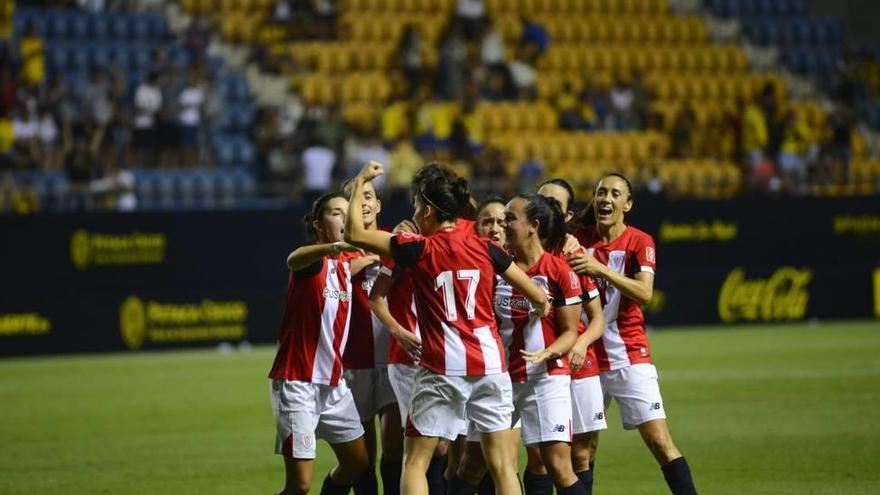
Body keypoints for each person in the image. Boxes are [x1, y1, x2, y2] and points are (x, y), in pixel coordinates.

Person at [345, 161, 550, 495]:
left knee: (415, 464)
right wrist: (541, 308)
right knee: (502, 467)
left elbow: (355, 234)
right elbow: (538, 296)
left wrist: (359, 183)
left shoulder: (417, 248)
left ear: (427, 211)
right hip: (491, 366)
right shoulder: (487, 247)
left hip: (441, 365)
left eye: (416, 207)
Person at [566, 173, 698, 495]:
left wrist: (602, 270)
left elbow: (645, 293)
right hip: (586, 355)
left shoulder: (640, 241)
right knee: (581, 451)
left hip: (629, 353)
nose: (605, 199)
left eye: (614, 193)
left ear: (628, 203)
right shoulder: (577, 240)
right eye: (600, 193)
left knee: (660, 441)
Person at [268, 192, 370, 495]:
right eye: (335, 213)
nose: (343, 218)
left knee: (357, 463)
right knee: (299, 486)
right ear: (318, 224)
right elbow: (293, 259)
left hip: (334, 387)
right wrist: (336, 246)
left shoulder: (344, 266)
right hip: (298, 383)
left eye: (345, 213)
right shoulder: (312, 262)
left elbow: (360, 259)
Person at [537, 178, 607, 495]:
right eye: (540, 201)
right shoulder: (515, 251)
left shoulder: (574, 257)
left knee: (581, 452)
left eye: (554, 204)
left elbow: (597, 318)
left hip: (577, 362)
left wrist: (580, 343)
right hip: (536, 365)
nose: (545, 208)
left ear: (567, 216)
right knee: (540, 457)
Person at [339, 178, 402, 495]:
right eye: (352, 197)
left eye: (367, 196)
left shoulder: (397, 243)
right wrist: (365, 259)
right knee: (363, 455)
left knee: (395, 445)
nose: (362, 202)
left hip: (394, 358)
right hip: (354, 361)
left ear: (378, 205)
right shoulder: (336, 252)